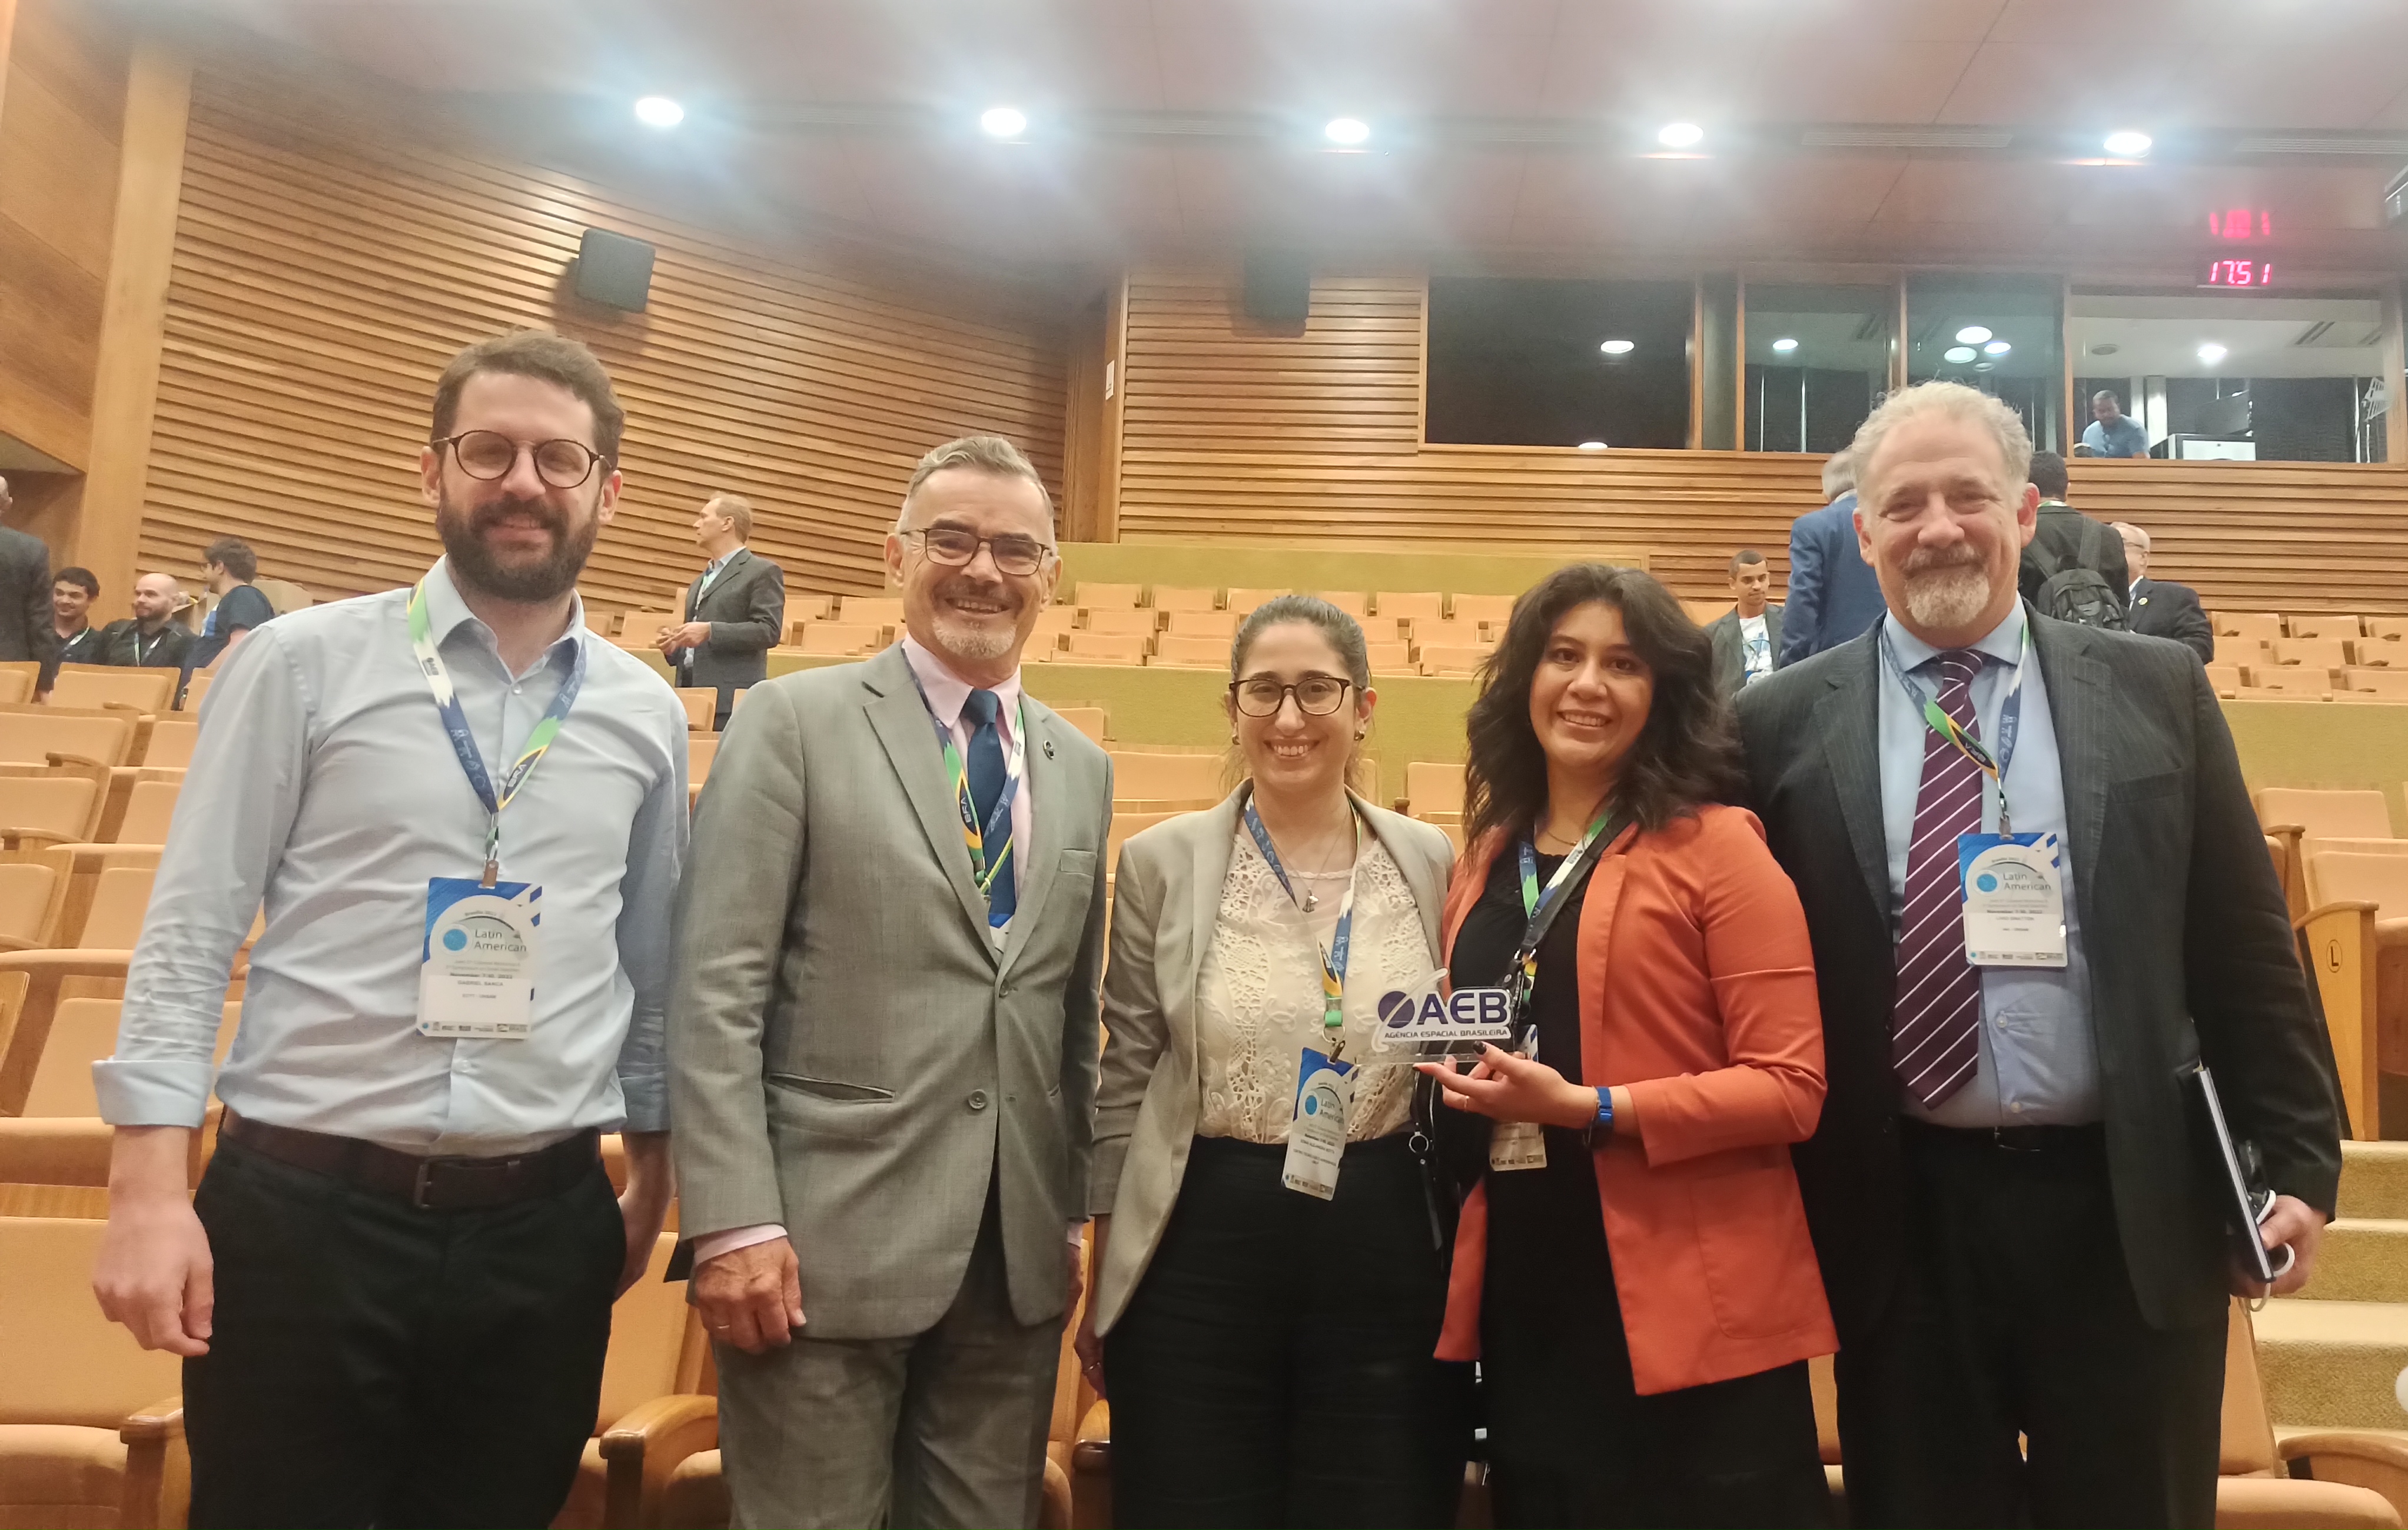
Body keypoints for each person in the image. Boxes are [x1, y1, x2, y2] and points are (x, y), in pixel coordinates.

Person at [89, 330, 690, 1528]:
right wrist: (148, 1189)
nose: (523, 481)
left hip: (543, 1229)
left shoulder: (644, 710)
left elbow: (652, 966)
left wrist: (653, 1178)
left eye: (560, 459)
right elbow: (192, 927)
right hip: (303, 1218)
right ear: (434, 472)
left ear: (606, 491)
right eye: (490, 450)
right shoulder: (299, 663)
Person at [1731, 382, 2341, 1530]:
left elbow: (2241, 940)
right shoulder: (1775, 720)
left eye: (1966, 494)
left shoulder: (2156, 689)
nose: (1936, 526)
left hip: (2125, 1206)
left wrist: (2301, 1162)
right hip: (1898, 1219)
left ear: (2023, 512)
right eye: (1901, 503)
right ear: (1861, 534)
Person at [670, 434, 1112, 1530]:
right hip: (815, 1256)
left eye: (1016, 549)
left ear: (1050, 575)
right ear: (892, 556)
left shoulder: (1079, 767)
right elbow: (714, 989)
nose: (982, 570)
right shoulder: (793, 722)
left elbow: (1064, 1017)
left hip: (1007, 1268)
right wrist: (730, 1224)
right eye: (950, 539)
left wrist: (1062, 1222)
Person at [1414, 563, 1835, 1529]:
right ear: (1524, 679)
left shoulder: (1720, 846)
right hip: (1530, 1298)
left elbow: (1790, 1088)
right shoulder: (1489, 855)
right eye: (1562, 656)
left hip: (1692, 1318)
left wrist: (1592, 1108)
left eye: (1622, 664)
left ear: (1663, 695)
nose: (1586, 685)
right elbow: (1478, 1018)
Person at [1080, 594, 1470, 1530]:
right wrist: (1105, 1268)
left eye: (1316, 691)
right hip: (1201, 1238)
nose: (1289, 718)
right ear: (1232, 706)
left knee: (1377, 1503)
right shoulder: (1159, 862)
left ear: (1364, 707)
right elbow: (1126, 1073)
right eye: (1265, 691)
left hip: (1382, 1240)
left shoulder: (1428, 857)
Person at [657, 491, 783, 728]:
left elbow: (769, 631)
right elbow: (695, 645)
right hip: (689, 697)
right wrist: (676, 646)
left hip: (730, 702)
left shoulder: (762, 571)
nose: (696, 524)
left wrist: (710, 631)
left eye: (704, 517)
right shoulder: (699, 581)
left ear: (727, 523)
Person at [1779, 454, 1884, 667]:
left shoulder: (1811, 527)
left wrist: (1789, 668)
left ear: (1826, 492)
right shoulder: (1889, 522)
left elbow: (1803, 599)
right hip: (1894, 659)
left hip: (1834, 664)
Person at [2017, 451, 2131, 627]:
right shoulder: (2110, 535)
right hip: (2102, 648)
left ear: (2027, 491)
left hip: (2040, 648)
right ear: (2067, 489)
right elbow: (2122, 606)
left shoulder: (2017, 533)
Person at [0, 475, 64, 697]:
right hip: (8, 669)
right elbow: (39, 621)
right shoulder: (30, 550)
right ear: (7, 504)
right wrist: (44, 682)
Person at [2114, 523, 2215, 661]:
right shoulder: (2084, 598)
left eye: (2118, 543)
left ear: (2143, 557)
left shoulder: (2174, 597)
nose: (2109, 551)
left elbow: (2201, 648)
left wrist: (2139, 645)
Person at [188, 536, 275, 670]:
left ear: (219, 567)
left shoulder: (242, 595)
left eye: (205, 567)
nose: (203, 574)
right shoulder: (237, 598)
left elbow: (241, 644)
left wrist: (200, 680)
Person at [1705, 549, 1779, 694]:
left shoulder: (1790, 622)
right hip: (1737, 712)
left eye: (1762, 578)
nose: (1757, 586)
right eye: (1748, 580)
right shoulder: (1712, 635)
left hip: (1783, 708)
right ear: (1732, 584)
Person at [92, 573, 197, 672]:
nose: (140, 600)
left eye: (150, 595)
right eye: (138, 594)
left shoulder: (186, 641)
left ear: (174, 601)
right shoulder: (114, 632)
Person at [2080, 390, 2151, 459]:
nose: (2107, 414)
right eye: (2101, 411)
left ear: (2118, 408)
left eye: (2110, 409)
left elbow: (2142, 464)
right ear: (2094, 412)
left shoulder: (2135, 430)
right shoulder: (2089, 433)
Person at [52, 566, 102, 664]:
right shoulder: (35, 636)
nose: (64, 601)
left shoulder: (100, 644)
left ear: (92, 600)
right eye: (59, 593)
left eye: (74, 596)